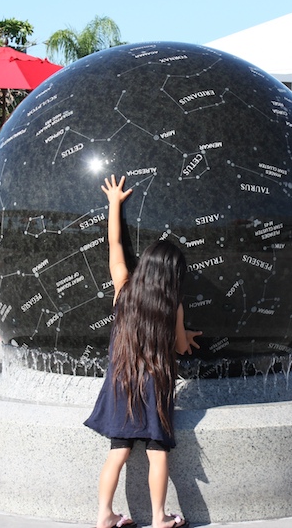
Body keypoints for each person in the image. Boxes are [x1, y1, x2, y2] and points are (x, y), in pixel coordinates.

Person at [85, 175, 200, 528]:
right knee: (157, 453)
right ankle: (160, 517)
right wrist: (187, 335)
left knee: (116, 453)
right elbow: (180, 347)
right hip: (155, 387)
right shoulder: (173, 306)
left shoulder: (122, 289)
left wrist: (114, 204)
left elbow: (115, 244)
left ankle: (105, 514)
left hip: (122, 381)